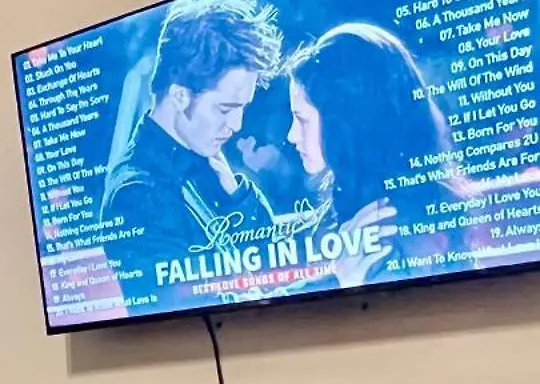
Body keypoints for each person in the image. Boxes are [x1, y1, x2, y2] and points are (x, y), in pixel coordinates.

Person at [101, 0, 284, 266]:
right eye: (225, 108)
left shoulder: (209, 166)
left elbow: (273, 267)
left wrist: (237, 196)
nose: (237, 125)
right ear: (180, 96)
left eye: (243, 107)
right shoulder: (135, 194)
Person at [285, 23, 460, 286]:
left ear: (347, 122)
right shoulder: (356, 208)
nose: (291, 135)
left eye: (302, 119)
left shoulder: (386, 228)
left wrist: (341, 285)